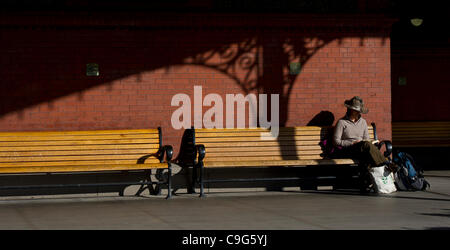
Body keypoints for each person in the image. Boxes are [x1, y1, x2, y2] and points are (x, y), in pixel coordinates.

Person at [332, 96, 394, 193]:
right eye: (355, 110)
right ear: (350, 110)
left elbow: (366, 139)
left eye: (359, 111)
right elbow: (336, 141)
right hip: (349, 149)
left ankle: (368, 182)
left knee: (367, 148)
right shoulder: (342, 122)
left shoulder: (363, 122)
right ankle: (386, 164)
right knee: (367, 145)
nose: (358, 112)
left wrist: (369, 142)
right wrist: (352, 142)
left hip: (362, 148)